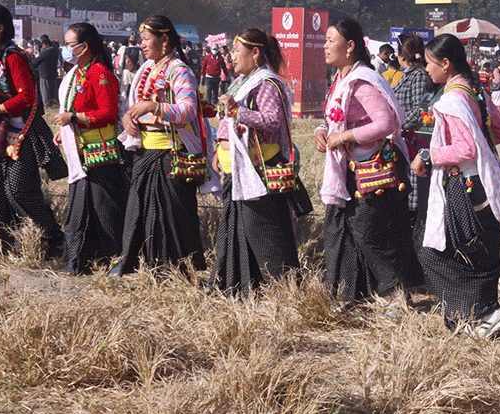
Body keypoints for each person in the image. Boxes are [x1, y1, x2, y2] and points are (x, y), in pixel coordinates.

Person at [412, 33, 500, 335]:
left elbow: (465, 150)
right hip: (484, 185)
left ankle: (482, 311)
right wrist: (483, 148)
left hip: (466, 188)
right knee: (479, 253)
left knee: (438, 255)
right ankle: (480, 318)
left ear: (445, 64)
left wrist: (430, 153)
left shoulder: (450, 100)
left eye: (429, 63)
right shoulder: (475, 91)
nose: (427, 70)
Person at [314, 17, 424, 307]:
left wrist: (345, 136)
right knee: (346, 231)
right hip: (350, 169)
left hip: (369, 169)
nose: (324, 46)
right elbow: (333, 117)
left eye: (330, 40)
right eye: (324, 40)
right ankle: (355, 295)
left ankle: (397, 296)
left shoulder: (361, 81)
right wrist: (322, 131)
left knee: (370, 233)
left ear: (350, 46)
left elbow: (385, 122)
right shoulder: (341, 78)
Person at [113, 15, 215, 276]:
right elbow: (132, 106)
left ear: (165, 39)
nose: (142, 45)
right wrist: (128, 117)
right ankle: (136, 262)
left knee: (171, 213)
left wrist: (155, 107)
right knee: (139, 209)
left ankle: (176, 269)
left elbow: (188, 110)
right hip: (145, 151)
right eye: (141, 39)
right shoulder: (147, 69)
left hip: (171, 152)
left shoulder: (179, 70)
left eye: (147, 39)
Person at [211, 28, 301, 295]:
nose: (232, 58)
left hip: (258, 170)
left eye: (237, 52)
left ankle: (281, 290)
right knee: (235, 228)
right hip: (237, 170)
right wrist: (219, 149)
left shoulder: (267, 84)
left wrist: (238, 110)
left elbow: (272, 121)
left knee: (263, 232)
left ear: (255, 53)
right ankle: (239, 286)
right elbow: (229, 122)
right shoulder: (242, 82)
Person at [0, 3, 65, 257]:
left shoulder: (14, 57)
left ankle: (53, 240)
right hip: (3, 134)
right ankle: (0, 245)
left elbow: (27, 98)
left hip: (21, 135)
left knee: (20, 190)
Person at [52, 23, 128, 275]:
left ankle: (111, 260)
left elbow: (108, 113)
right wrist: (64, 131)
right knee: (77, 213)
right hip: (79, 153)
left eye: (69, 44)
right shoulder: (76, 72)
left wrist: (73, 119)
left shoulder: (100, 73)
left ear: (84, 47)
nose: (65, 49)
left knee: (104, 212)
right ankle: (78, 261)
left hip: (100, 155)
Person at [392, 32, 437, 237]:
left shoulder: (418, 77)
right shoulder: (407, 75)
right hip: (404, 139)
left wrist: (398, 125)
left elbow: (420, 109)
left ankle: (418, 233)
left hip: (414, 141)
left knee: (416, 197)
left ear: (402, 56)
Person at [31, 35, 60, 109]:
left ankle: (47, 107)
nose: (43, 46)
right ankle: (55, 106)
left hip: (45, 75)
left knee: (46, 93)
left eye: (43, 45)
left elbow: (36, 61)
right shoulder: (55, 50)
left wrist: (29, 61)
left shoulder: (46, 52)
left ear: (47, 44)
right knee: (53, 93)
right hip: (53, 75)